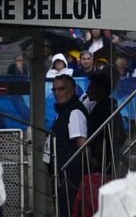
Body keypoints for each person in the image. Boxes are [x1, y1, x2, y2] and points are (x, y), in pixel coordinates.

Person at [46, 74, 86, 217]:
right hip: (61, 176)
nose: (57, 93)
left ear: (73, 89)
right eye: (54, 90)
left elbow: (82, 144)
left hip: (70, 177)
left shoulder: (74, 111)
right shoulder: (63, 111)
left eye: (61, 89)